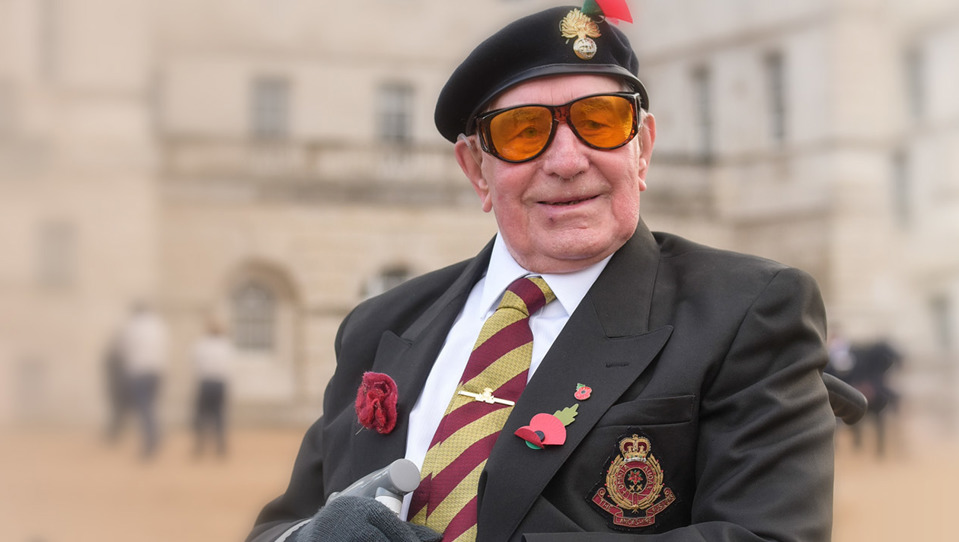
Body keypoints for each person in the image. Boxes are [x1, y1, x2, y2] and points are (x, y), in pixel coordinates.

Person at [248, 4, 836, 541]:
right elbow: (279, 526)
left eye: (600, 122)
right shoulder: (379, 323)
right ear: (477, 168)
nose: (566, 161)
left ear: (643, 147)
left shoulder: (748, 311)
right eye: (524, 132)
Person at [117, 301, 168, 459]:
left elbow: (124, 349)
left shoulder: (133, 326)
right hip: (157, 371)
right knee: (151, 406)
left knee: (144, 408)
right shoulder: (158, 324)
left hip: (139, 371)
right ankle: (155, 435)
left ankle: (150, 440)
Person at [191, 316, 234, 458]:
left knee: (202, 416)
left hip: (206, 382)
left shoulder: (202, 344)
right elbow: (229, 367)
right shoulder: (225, 345)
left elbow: (194, 363)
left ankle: (199, 447)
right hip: (220, 383)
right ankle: (220, 447)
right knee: (219, 416)